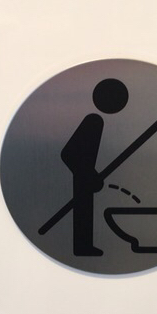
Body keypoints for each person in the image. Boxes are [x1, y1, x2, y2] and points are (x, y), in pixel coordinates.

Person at [61, 78, 128, 256]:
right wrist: (87, 174)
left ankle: (84, 246)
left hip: (86, 176)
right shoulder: (94, 120)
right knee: (83, 211)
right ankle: (82, 247)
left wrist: (90, 174)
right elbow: (67, 153)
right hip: (82, 177)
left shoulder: (99, 121)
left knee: (85, 210)